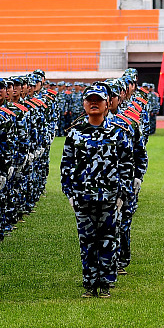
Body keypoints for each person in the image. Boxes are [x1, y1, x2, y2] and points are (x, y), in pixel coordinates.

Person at [61, 84, 133, 297]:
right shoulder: (75, 134)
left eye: (99, 100)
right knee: (87, 241)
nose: (94, 104)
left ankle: (105, 283)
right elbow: (67, 165)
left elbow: (126, 165)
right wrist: (70, 192)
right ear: (83, 104)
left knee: (108, 240)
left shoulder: (118, 133)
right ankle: (90, 283)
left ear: (107, 104)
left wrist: (122, 194)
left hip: (109, 197)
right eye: (90, 100)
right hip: (83, 197)